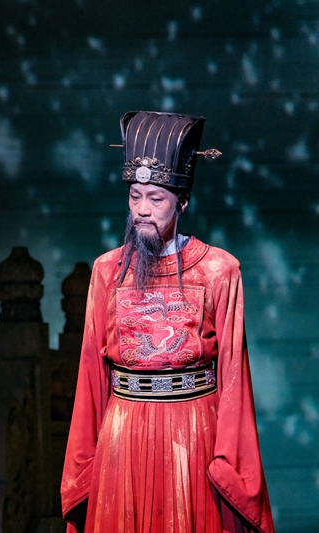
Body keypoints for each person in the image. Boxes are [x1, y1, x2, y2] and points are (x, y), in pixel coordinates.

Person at [61, 111, 275, 533]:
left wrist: (229, 460)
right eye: (135, 196)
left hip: (192, 430)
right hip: (123, 431)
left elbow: (234, 376)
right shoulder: (108, 271)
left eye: (156, 199)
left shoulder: (218, 270)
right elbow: (90, 372)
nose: (142, 210)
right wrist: (85, 461)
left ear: (182, 202)